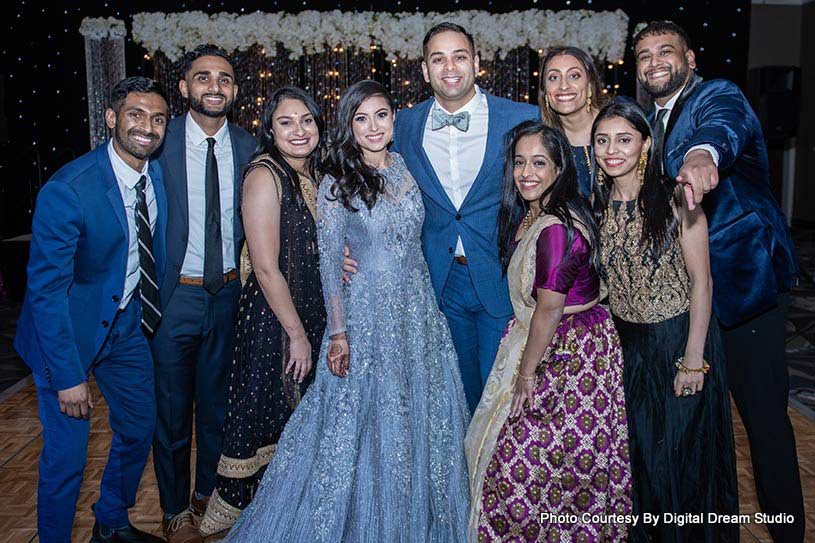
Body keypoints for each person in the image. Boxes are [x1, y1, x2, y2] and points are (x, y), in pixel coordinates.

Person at [221, 80, 470, 542]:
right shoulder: (337, 181)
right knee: (359, 424)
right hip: (366, 318)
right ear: (348, 127)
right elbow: (329, 262)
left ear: (395, 120)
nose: (372, 126)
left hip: (418, 317)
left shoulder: (407, 167)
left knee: (419, 419)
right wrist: (338, 332)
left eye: (380, 115)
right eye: (360, 118)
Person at [634, 21, 803, 542]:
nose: (654, 61)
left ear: (688, 56)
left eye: (666, 51)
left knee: (766, 430)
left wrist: (702, 155)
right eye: (644, 55)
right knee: (692, 435)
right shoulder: (646, 120)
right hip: (685, 308)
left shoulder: (716, 95)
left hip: (743, 297)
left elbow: (720, 130)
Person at [344, 23, 540, 414]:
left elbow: (548, 183)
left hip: (500, 277)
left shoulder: (521, 117)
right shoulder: (404, 125)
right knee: (451, 400)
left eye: (459, 56)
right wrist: (348, 244)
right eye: (438, 58)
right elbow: (365, 179)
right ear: (424, 70)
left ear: (476, 63)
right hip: (434, 285)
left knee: (501, 397)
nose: (449, 67)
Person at [14, 77, 168, 543]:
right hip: (65, 334)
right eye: (136, 115)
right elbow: (46, 293)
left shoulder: (158, 176)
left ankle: (112, 521)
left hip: (124, 326)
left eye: (158, 118)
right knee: (67, 458)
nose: (147, 126)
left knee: (140, 427)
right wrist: (67, 376)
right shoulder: (70, 189)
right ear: (111, 119)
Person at [465, 121, 631, 543]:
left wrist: (525, 373)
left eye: (539, 163)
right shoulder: (536, 212)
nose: (527, 173)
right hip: (553, 339)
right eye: (519, 162)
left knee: (534, 464)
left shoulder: (555, 227)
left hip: (568, 353)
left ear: (559, 168)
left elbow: (550, 307)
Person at [593, 99, 738, 542]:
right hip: (628, 349)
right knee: (640, 463)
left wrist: (694, 359)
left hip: (679, 342)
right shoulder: (596, 206)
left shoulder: (677, 199)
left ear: (645, 143)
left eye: (624, 139)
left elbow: (703, 284)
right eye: (602, 141)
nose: (611, 150)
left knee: (683, 462)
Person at [198, 86, 327, 538]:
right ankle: (234, 513)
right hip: (274, 321)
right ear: (270, 129)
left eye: (306, 121)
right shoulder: (264, 175)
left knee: (297, 417)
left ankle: (287, 511)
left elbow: (314, 246)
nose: (298, 131)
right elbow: (268, 267)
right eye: (286, 122)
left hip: (310, 314)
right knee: (261, 414)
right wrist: (296, 334)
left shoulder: (313, 174)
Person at [150, 44, 256, 542]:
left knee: (219, 405)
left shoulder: (250, 144)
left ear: (234, 90)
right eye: (204, 77)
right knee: (172, 410)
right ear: (184, 86)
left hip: (230, 294)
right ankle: (173, 510)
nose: (215, 86)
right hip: (176, 297)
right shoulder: (160, 142)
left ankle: (206, 496)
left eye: (225, 79)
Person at [538, 46, 608, 196]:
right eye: (554, 78)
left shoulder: (618, 125)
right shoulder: (543, 142)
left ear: (590, 84)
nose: (563, 86)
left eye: (574, 76)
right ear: (545, 90)